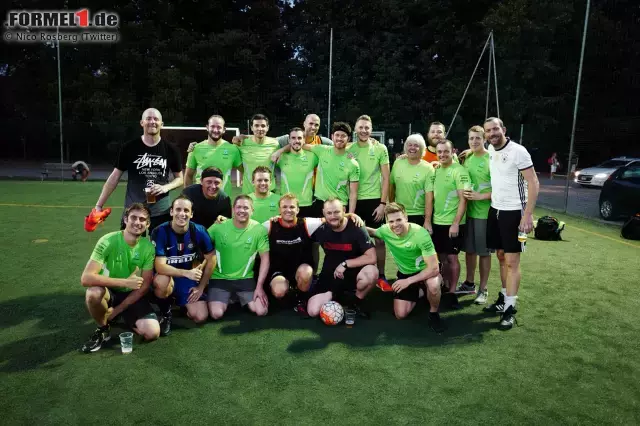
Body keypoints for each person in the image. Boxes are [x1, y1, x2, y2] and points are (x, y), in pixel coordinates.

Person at [80, 203, 159, 353]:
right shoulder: (108, 240)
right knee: (93, 293)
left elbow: (143, 287)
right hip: (108, 291)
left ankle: (121, 315)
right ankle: (103, 329)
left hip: (130, 294)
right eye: (133, 218)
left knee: (152, 332)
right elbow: (86, 278)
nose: (137, 222)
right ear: (125, 219)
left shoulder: (148, 247)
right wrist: (124, 282)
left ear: (148, 224)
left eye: (142, 219)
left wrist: (117, 311)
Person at [483, 117, 539, 330]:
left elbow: (533, 182)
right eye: (488, 130)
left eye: (495, 129)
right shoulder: (490, 148)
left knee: (512, 261)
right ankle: (504, 298)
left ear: (503, 129)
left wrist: (528, 215)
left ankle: (510, 308)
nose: (492, 133)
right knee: (500, 255)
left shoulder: (519, 151)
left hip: (516, 214)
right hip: (495, 210)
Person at [93, 108, 184, 232]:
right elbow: (114, 177)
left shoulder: (171, 149)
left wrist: (165, 188)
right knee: (127, 247)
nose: (152, 122)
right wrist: (99, 205)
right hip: (133, 209)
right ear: (142, 123)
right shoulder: (129, 147)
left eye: (156, 119)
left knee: (159, 249)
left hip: (160, 211)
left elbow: (180, 179)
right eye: (148, 119)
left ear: (161, 124)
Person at [367, 203, 444, 333]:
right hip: (406, 273)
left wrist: (407, 282)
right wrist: (351, 218)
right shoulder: (385, 230)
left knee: (433, 285)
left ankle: (434, 313)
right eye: (391, 221)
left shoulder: (420, 234)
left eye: (399, 220)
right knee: (400, 314)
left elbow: (434, 268)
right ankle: (420, 291)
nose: (395, 224)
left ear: (406, 218)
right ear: (387, 222)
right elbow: (371, 232)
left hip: (426, 271)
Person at [150, 196, 216, 335]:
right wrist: (187, 273)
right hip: (167, 276)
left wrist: (201, 287)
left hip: (187, 280)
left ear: (191, 214)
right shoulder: (160, 231)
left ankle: (181, 304)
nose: (182, 214)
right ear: (171, 212)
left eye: (186, 210)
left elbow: (212, 259)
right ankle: (165, 312)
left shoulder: (199, 231)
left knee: (200, 316)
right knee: (162, 281)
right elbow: (160, 266)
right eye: (178, 209)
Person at [308, 198, 378, 319]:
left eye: (336, 212)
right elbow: (293, 221)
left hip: (353, 272)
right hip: (330, 275)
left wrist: (345, 263)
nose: (333, 216)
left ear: (343, 210)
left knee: (372, 273)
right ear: (324, 213)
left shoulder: (356, 226)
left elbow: (372, 257)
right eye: (329, 213)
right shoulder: (319, 227)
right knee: (313, 311)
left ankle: (356, 301)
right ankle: (334, 295)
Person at [207, 195, 269, 319]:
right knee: (216, 314)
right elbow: (199, 242)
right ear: (233, 209)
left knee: (261, 311)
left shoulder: (259, 229)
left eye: (246, 207)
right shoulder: (218, 227)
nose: (242, 210)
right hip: (220, 279)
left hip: (245, 279)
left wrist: (259, 287)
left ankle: (236, 298)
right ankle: (232, 298)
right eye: (239, 207)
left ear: (252, 210)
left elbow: (265, 259)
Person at [347, 115, 391, 289]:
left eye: (367, 127)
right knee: (352, 238)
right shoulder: (350, 149)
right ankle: (353, 272)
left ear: (371, 130)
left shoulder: (380, 148)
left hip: (374, 201)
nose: (364, 130)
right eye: (361, 127)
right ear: (355, 129)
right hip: (354, 200)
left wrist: (382, 204)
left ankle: (381, 275)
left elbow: (386, 178)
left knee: (379, 239)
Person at [263, 193, 322, 315]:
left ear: (298, 209)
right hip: (278, 270)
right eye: (284, 207)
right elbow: (248, 227)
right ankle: (284, 291)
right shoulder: (269, 225)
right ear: (279, 209)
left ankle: (301, 299)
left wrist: (351, 215)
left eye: (292, 207)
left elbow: (332, 218)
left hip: (300, 268)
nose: (288, 210)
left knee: (306, 273)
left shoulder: (307, 223)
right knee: (279, 292)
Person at [429, 140, 470, 309]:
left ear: (453, 150)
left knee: (452, 258)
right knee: (441, 257)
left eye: (446, 151)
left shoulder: (460, 171)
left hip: (453, 224)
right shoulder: (436, 170)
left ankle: (452, 292)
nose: (442, 155)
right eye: (439, 152)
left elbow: (463, 200)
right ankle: (445, 286)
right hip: (437, 222)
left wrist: (455, 223)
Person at [458, 126, 493, 304]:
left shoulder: (491, 159)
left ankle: (483, 288)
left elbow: (502, 189)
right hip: (467, 213)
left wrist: (481, 196)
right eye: (471, 138)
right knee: (469, 251)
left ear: (484, 138)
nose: (474, 142)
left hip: (484, 214)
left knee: (484, 253)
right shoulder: (466, 157)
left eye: (477, 138)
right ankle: (469, 283)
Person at [184, 115, 241, 193]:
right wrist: (188, 197)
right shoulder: (196, 148)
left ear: (224, 130)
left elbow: (245, 170)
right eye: (212, 126)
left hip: (224, 200)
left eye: (219, 127)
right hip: (201, 200)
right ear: (207, 127)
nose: (215, 130)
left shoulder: (232, 149)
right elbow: (188, 175)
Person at [389, 133, 434, 228]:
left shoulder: (428, 168)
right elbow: (391, 187)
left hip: (418, 215)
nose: (412, 148)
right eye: (409, 145)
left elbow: (429, 197)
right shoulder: (398, 163)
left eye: (416, 145)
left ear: (422, 148)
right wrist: (391, 209)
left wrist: (427, 221)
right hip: (399, 214)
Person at [274, 127, 319, 218]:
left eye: (299, 138)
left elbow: (331, 151)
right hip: (286, 205)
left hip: (306, 204)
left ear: (304, 140)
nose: (296, 141)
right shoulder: (281, 157)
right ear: (289, 140)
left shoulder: (313, 157)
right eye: (293, 138)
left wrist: (348, 154)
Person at [233, 114, 280, 194]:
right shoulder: (242, 143)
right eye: (256, 126)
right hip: (248, 193)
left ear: (267, 127)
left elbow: (294, 142)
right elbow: (236, 163)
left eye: (263, 126)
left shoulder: (275, 144)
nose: (260, 129)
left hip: (269, 193)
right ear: (252, 127)